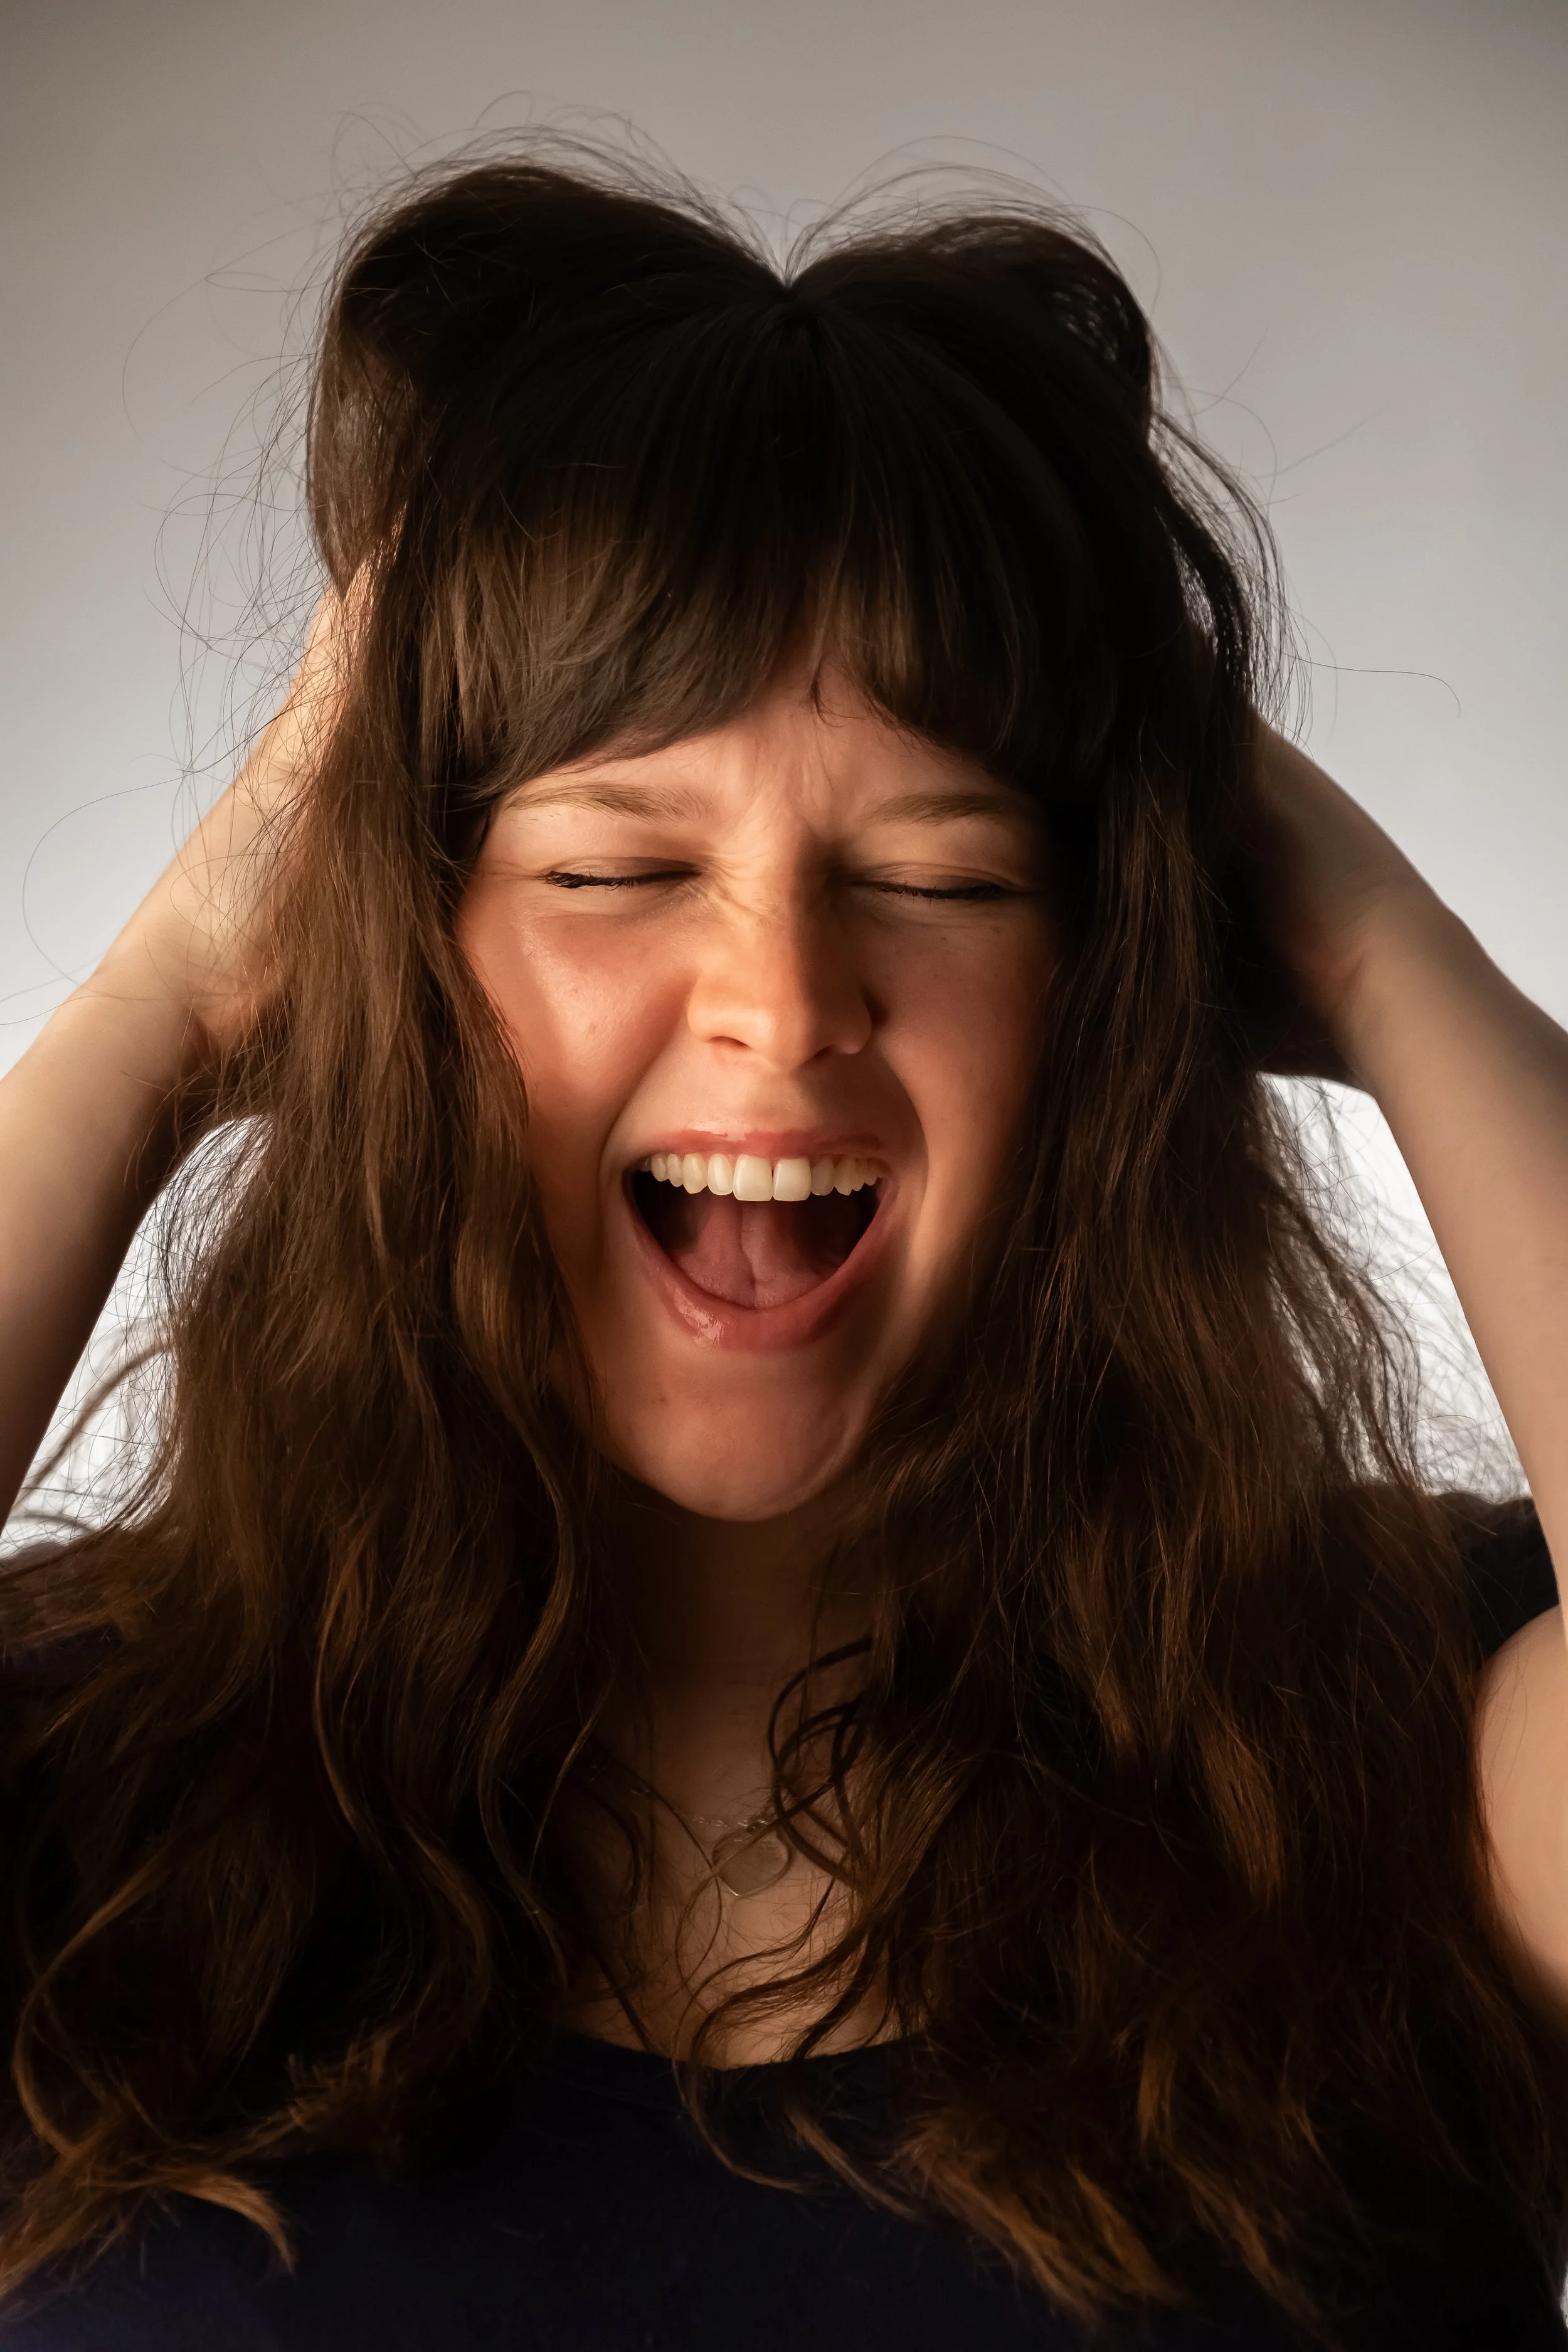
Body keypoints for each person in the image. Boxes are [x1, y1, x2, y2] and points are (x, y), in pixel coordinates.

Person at [0, 144, 1565, 2349]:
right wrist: (161, 1007)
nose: (783, 997)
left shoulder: (1410, 1747)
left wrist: (1397, 955)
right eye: (614, 870)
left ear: (1110, 998)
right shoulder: (88, 1777)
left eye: (941, 877)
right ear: (392, 966)